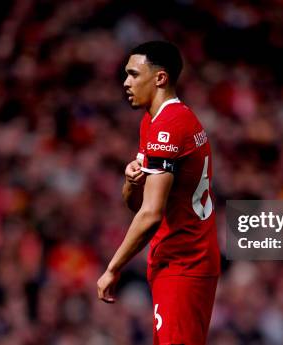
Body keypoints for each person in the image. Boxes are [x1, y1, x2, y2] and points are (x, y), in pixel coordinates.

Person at [97, 41, 221, 345]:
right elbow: (136, 203)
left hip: (185, 262)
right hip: (172, 259)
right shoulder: (153, 122)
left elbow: (151, 214)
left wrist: (112, 269)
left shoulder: (170, 126)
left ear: (160, 78)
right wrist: (131, 182)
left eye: (133, 74)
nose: (126, 82)